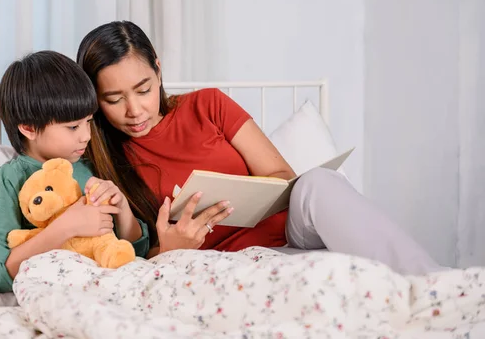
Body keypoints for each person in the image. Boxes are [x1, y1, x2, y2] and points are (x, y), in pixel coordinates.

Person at [75, 20, 445, 275]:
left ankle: (429, 285)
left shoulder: (208, 105)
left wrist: (243, 196)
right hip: (220, 263)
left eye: (143, 89)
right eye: (113, 98)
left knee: (316, 181)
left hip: (288, 232)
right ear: (94, 98)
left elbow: (282, 177)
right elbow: (122, 253)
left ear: (158, 70)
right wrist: (169, 248)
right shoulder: (97, 161)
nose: (135, 110)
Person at [0, 50, 150, 293]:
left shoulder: (87, 167)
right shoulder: (11, 178)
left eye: (88, 122)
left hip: (117, 281)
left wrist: (122, 208)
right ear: (29, 128)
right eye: (73, 127)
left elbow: (135, 251)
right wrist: (67, 227)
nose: (86, 136)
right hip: (66, 288)